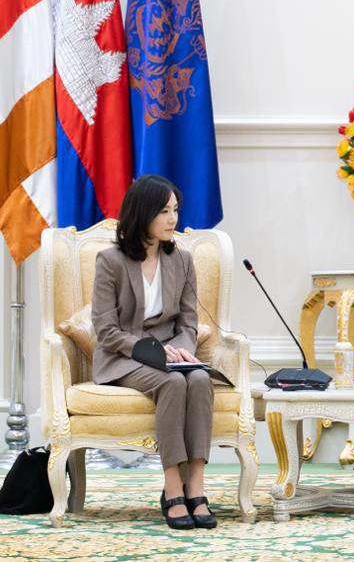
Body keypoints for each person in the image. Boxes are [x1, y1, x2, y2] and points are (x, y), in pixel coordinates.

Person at [92, 175, 216, 530]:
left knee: (199, 379)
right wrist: (154, 350)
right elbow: (106, 331)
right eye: (164, 211)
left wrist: (182, 351)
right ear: (143, 213)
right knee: (173, 384)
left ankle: (197, 484)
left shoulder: (183, 260)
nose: (173, 219)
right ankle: (171, 486)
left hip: (172, 354)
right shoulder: (110, 261)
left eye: (175, 210)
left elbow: (188, 323)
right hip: (124, 356)